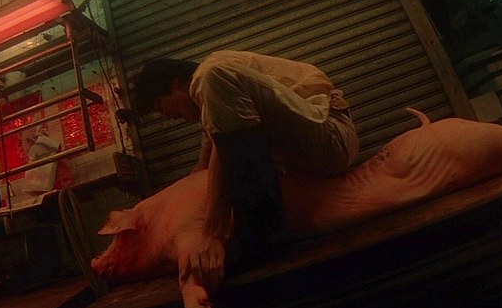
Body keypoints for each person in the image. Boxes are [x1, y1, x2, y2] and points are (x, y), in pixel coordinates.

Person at [134, 50, 360, 291]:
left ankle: (265, 237)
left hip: (332, 136)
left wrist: (212, 234)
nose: (167, 116)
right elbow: (207, 158)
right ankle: (261, 232)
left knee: (215, 78)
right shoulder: (213, 103)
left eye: (160, 106)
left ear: (175, 84)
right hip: (316, 151)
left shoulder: (211, 75)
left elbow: (222, 151)